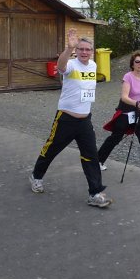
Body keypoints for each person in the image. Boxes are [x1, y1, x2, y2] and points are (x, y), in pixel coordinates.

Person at [29, 28, 112, 208]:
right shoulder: (71, 64)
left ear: (92, 51)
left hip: (85, 120)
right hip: (66, 118)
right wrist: (69, 49)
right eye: (81, 49)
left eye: (87, 49)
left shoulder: (93, 66)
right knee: (51, 150)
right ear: (77, 51)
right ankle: (36, 176)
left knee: (91, 155)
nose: (84, 52)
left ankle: (95, 193)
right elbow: (60, 67)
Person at [98, 51, 140, 183]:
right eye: (137, 62)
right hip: (125, 113)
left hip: (138, 113)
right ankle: (98, 161)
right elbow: (124, 97)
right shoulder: (128, 76)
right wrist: (136, 104)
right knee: (115, 138)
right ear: (132, 64)